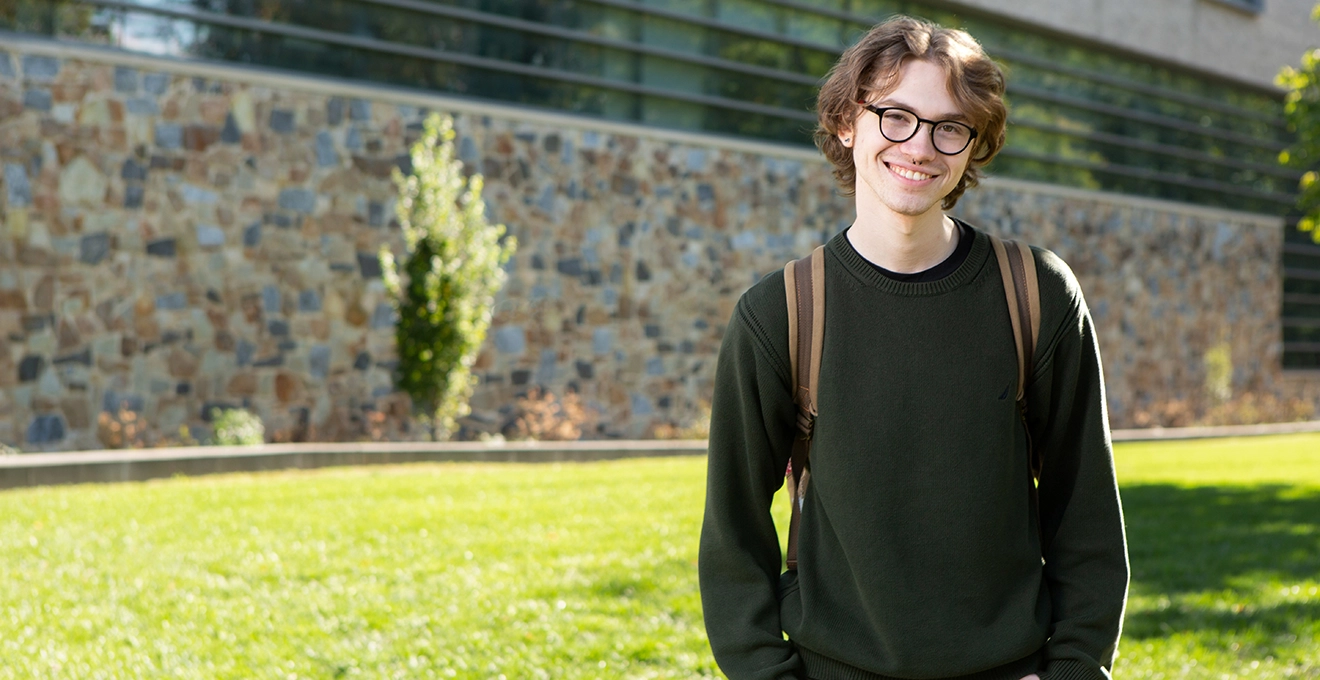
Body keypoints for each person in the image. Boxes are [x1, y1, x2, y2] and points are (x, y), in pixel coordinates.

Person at [698, 15, 1129, 680]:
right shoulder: (779, 313)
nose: (920, 145)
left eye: (949, 125)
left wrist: (1073, 669)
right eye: (895, 115)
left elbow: (1088, 517)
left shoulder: (1036, 294)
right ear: (848, 122)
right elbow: (733, 537)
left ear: (973, 145)